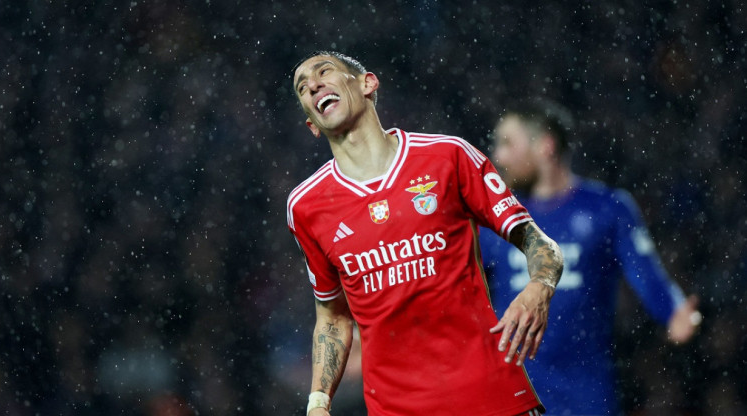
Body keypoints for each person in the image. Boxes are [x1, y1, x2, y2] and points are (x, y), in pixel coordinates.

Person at [286, 51, 564, 416]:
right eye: (303, 88)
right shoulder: (306, 206)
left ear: (368, 83)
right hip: (397, 408)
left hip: (491, 398)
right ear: (312, 124)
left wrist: (539, 287)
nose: (314, 85)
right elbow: (333, 315)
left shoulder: (447, 157)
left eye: (325, 72)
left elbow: (535, 240)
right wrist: (319, 402)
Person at [479, 99, 702, 416]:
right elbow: (457, 284)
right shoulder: (496, 217)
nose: (497, 156)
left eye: (507, 143)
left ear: (545, 146)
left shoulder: (606, 209)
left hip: (585, 394)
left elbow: (646, 274)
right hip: (510, 390)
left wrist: (673, 311)